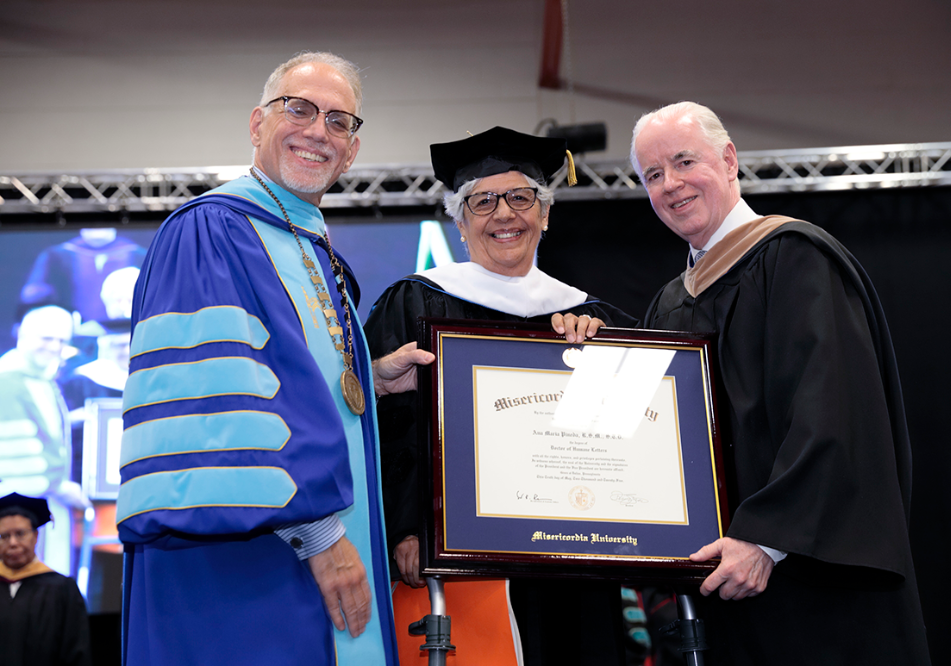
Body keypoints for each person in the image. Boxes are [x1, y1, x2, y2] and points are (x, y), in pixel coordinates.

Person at [115, 51, 433, 666]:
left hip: (297, 549)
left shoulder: (303, 239)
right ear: (257, 122)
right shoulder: (212, 229)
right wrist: (320, 536)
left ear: (354, 148)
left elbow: (284, 374)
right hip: (246, 564)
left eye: (340, 121)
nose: (319, 131)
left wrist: (371, 377)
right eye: (300, 108)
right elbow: (216, 401)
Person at [619, 101, 931, 664]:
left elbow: (831, 411)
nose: (671, 185)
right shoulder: (669, 302)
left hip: (809, 585)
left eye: (684, 161)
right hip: (717, 585)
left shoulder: (795, 257)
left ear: (729, 160)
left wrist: (765, 539)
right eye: (653, 176)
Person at [365, 126, 636, 666]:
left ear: (546, 214)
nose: (504, 214)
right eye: (482, 201)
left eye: (520, 197)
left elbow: (629, 443)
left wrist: (609, 360)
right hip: (457, 560)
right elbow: (389, 427)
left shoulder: (593, 318)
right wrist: (407, 528)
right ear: (459, 222)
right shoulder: (414, 303)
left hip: (573, 561)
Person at [0, 305, 90, 576]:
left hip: (45, 508)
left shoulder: (43, 380)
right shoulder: (7, 381)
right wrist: (61, 486)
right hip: (19, 509)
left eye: (62, 340)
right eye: (46, 338)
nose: (55, 347)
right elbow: (16, 456)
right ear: (23, 336)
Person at [0, 492, 91, 666]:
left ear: (36, 536)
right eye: (4, 536)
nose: (12, 543)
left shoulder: (63, 589)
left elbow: (77, 652)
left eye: (20, 534)